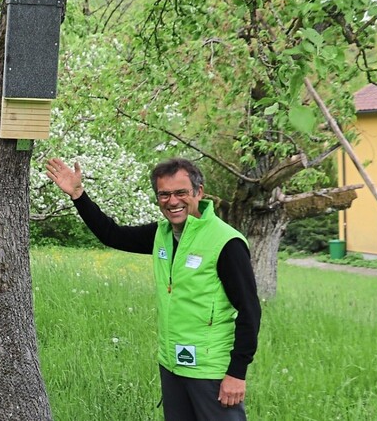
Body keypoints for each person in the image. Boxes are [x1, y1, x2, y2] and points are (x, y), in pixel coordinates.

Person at [46, 157, 261, 421]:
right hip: (172, 364)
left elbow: (250, 311)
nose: (173, 201)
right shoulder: (163, 234)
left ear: (199, 192)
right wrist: (79, 195)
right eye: (164, 194)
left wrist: (237, 373)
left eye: (181, 192)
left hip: (211, 370)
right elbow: (111, 234)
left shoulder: (225, 242)